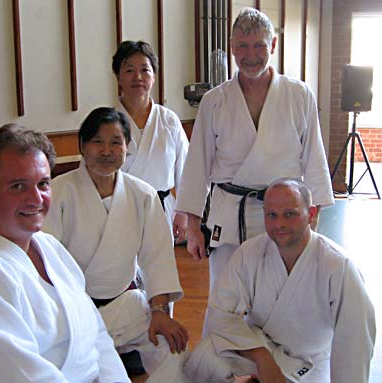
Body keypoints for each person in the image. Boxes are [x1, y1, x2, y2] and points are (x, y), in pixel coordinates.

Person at [0, 124, 130, 383]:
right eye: (18, 186)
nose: (36, 199)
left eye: (43, 184)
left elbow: (96, 336)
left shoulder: (49, 247)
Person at [175, 7, 334, 327]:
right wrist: (193, 225)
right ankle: (223, 369)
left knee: (281, 298)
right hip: (230, 215)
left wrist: (312, 223)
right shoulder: (215, 101)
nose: (251, 55)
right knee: (225, 299)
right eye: (243, 46)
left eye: (259, 45)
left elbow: (314, 160)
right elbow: (197, 165)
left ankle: (274, 367)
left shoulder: (298, 94)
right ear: (232, 48)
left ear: (273, 45)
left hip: (283, 216)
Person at [43, 107, 189, 383]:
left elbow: (156, 257)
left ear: (126, 148)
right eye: (97, 141)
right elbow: (46, 262)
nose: (106, 151)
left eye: (115, 142)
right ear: (83, 147)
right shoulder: (59, 191)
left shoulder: (142, 194)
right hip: (74, 314)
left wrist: (159, 311)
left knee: (173, 348)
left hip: (125, 304)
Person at [185, 178, 376, 383]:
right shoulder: (250, 252)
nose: (279, 224)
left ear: (311, 214)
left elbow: (355, 341)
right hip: (261, 351)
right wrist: (262, 357)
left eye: (289, 214)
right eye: (272, 215)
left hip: (308, 365)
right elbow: (219, 312)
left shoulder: (337, 266)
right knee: (204, 356)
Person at [112, 40, 189, 242]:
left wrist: (183, 212)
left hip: (161, 210)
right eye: (129, 70)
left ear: (153, 76)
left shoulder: (169, 120)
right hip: (117, 212)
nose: (138, 77)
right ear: (118, 76)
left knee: (160, 270)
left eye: (145, 70)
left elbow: (186, 170)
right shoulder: (106, 121)